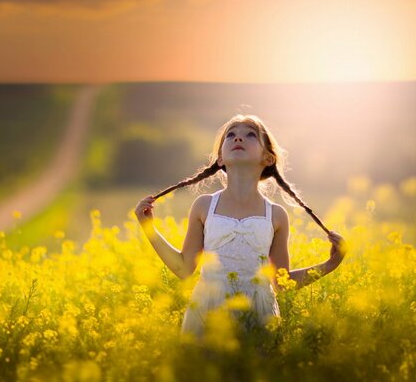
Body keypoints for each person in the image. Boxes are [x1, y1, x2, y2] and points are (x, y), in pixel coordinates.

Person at [134, 114, 347, 340]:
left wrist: (331, 263)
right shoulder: (204, 206)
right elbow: (185, 269)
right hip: (207, 313)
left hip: (259, 314)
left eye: (250, 135)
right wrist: (148, 227)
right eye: (231, 135)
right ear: (220, 159)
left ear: (268, 158)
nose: (238, 138)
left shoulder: (276, 215)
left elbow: (282, 283)